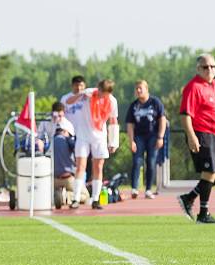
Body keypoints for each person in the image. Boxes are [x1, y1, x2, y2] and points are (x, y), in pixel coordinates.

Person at [177, 54, 215, 224]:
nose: (209, 70)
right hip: (201, 133)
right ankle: (203, 213)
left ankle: (189, 197)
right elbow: (185, 115)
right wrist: (191, 135)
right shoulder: (193, 87)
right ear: (198, 69)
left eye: (212, 66)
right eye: (205, 67)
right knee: (209, 172)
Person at [63, 78, 119, 210]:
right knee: (80, 166)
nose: (100, 94)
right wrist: (80, 95)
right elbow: (68, 101)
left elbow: (113, 120)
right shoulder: (89, 94)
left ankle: (95, 199)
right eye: (99, 91)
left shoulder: (112, 101)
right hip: (83, 135)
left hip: (99, 136)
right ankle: (76, 198)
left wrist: (113, 141)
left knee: (98, 167)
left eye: (104, 93)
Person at [125, 80, 167, 199]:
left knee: (151, 161)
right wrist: (131, 140)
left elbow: (162, 119)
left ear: (146, 89)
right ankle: (134, 188)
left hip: (153, 136)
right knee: (137, 161)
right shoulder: (134, 105)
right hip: (139, 136)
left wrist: (160, 137)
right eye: (136, 88)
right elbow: (129, 124)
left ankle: (148, 189)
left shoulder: (155, 102)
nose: (138, 91)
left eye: (140, 88)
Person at [52, 118, 89, 206]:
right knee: (85, 195)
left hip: (52, 179)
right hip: (67, 178)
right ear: (66, 131)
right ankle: (67, 196)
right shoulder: (69, 141)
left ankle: (56, 196)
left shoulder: (50, 141)